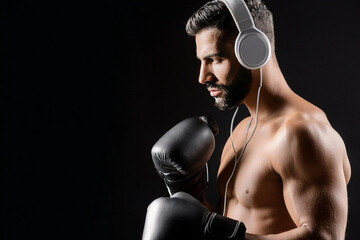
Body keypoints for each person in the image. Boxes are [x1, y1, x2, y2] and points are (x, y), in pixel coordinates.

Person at [142, 0, 351, 239]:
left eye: (215, 59)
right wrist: (188, 192)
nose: (202, 77)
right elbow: (240, 223)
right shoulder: (242, 131)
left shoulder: (302, 132)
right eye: (202, 61)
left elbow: (325, 236)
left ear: (254, 51)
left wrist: (213, 232)